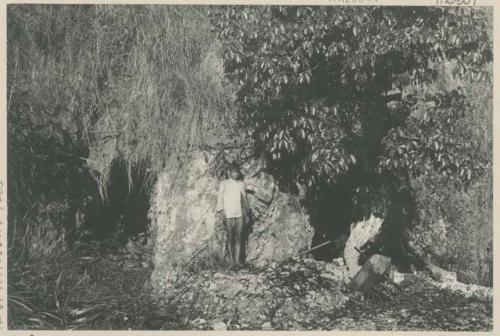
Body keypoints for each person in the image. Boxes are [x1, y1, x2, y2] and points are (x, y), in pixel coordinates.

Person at [216, 163, 249, 270]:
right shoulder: (224, 184)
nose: (235, 174)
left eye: (237, 172)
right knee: (230, 237)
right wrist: (221, 211)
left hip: (239, 213)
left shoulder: (241, 184)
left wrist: (246, 212)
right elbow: (220, 198)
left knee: (239, 237)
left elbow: (244, 199)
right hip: (228, 213)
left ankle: (238, 261)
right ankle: (231, 262)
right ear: (229, 172)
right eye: (233, 172)